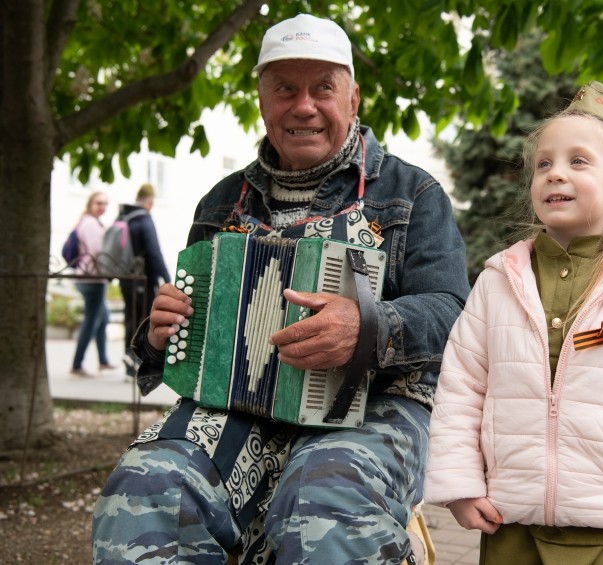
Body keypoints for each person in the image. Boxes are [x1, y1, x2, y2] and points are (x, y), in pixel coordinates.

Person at [92, 13, 470, 565]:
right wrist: (160, 333)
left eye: (324, 88)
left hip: (377, 403)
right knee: (147, 488)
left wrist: (369, 326)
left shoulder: (413, 192)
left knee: (323, 497)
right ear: (263, 99)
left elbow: (451, 309)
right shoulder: (222, 202)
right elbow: (182, 347)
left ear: (354, 97)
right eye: (285, 88)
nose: (304, 106)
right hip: (237, 407)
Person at [424, 82, 603, 564]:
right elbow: (460, 390)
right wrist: (459, 485)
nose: (556, 173)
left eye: (578, 161)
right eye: (544, 164)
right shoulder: (498, 283)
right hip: (507, 519)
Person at [118, 182, 171, 377]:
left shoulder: (124, 216)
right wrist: (166, 279)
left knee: (130, 319)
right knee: (143, 321)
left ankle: (128, 360)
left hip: (125, 278)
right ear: (149, 201)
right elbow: (154, 252)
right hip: (142, 280)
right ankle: (136, 361)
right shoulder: (144, 220)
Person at [70, 191, 115, 377]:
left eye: (105, 203)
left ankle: (103, 361)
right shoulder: (90, 224)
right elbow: (98, 252)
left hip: (93, 278)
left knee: (103, 318)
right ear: (90, 204)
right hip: (92, 279)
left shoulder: (92, 222)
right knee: (91, 321)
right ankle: (77, 365)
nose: (102, 206)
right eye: (98, 203)